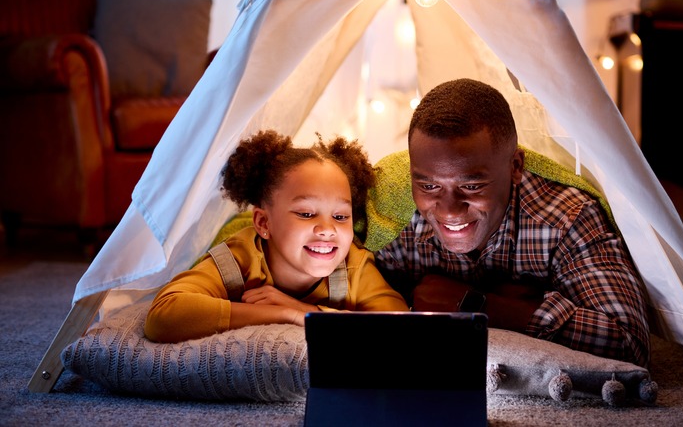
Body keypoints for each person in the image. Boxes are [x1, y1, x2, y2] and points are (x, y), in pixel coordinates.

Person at [374, 78, 651, 367]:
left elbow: (629, 343)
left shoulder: (566, 218)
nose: (450, 210)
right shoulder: (393, 219)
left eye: (472, 186)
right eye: (430, 187)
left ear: (515, 168)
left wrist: (481, 304)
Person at [145, 130, 409, 343]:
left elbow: (399, 327)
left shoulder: (353, 265)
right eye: (306, 214)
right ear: (264, 222)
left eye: (340, 217)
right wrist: (278, 314)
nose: (327, 229)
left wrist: (300, 312)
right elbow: (163, 317)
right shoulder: (236, 260)